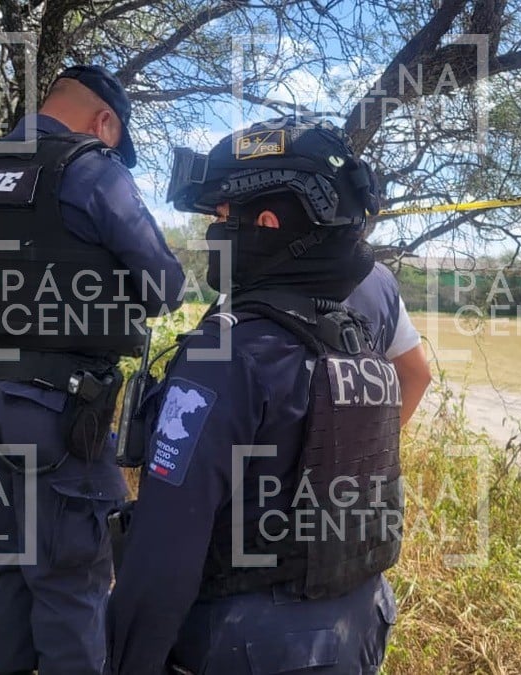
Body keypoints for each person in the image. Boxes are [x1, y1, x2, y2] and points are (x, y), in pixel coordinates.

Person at [106, 117, 401, 674]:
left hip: (251, 647)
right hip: (359, 630)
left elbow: (164, 553)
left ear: (265, 223)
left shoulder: (229, 354)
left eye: (220, 218)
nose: (213, 234)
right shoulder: (356, 340)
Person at [0, 64, 184, 675]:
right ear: (105, 122)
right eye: (113, 136)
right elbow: (165, 284)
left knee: (10, 563)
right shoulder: (91, 169)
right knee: (71, 578)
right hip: (53, 410)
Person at [345, 263, 432, 427]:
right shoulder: (379, 280)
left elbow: (418, 376)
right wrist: (378, 442)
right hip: (358, 447)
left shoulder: (282, 264)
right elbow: (417, 375)